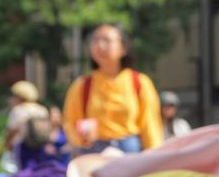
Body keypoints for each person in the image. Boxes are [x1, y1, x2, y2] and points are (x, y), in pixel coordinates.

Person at [62, 24, 163, 155]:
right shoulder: (81, 85)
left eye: (106, 40)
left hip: (130, 151)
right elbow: (70, 122)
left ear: (123, 48)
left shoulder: (140, 83)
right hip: (94, 151)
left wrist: (154, 156)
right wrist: (81, 138)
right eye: (95, 40)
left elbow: (151, 125)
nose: (100, 45)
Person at [4, 81, 51, 170]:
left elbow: (12, 131)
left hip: (23, 146)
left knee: (23, 171)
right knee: (39, 169)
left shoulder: (18, 110)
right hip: (40, 144)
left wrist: (6, 145)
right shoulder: (41, 109)